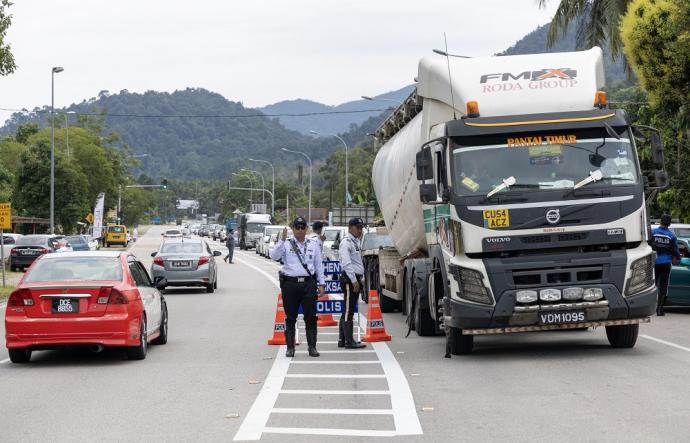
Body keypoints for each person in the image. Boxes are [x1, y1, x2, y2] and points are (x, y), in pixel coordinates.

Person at [270, 217, 326, 357]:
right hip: (290, 284)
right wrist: (281, 240)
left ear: (306, 229)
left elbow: (319, 265)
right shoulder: (286, 243)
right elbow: (274, 256)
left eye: (302, 227)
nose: (300, 230)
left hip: (308, 284)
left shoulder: (313, 244)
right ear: (293, 229)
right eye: (297, 227)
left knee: (311, 317)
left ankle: (312, 347)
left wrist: (322, 284)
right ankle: (290, 348)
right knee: (290, 317)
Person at [338, 217, 367, 349]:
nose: (360, 230)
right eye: (358, 227)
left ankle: (342, 339)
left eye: (361, 227)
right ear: (350, 227)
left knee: (347, 310)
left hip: (354, 278)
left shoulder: (355, 242)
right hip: (350, 279)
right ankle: (349, 341)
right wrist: (354, 281)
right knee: (349, 311)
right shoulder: (346, 242)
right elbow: (346, 263)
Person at [651, 214, 680, 316]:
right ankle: (659, 310)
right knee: (664, 286)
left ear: (660, 221)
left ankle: (649, 308)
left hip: (654, 263)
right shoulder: (671, 236)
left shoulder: (653, 233)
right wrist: (679, 257)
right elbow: (676, 251)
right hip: (666, 264)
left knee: (652, 285)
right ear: (669, 224)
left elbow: (649, 245)